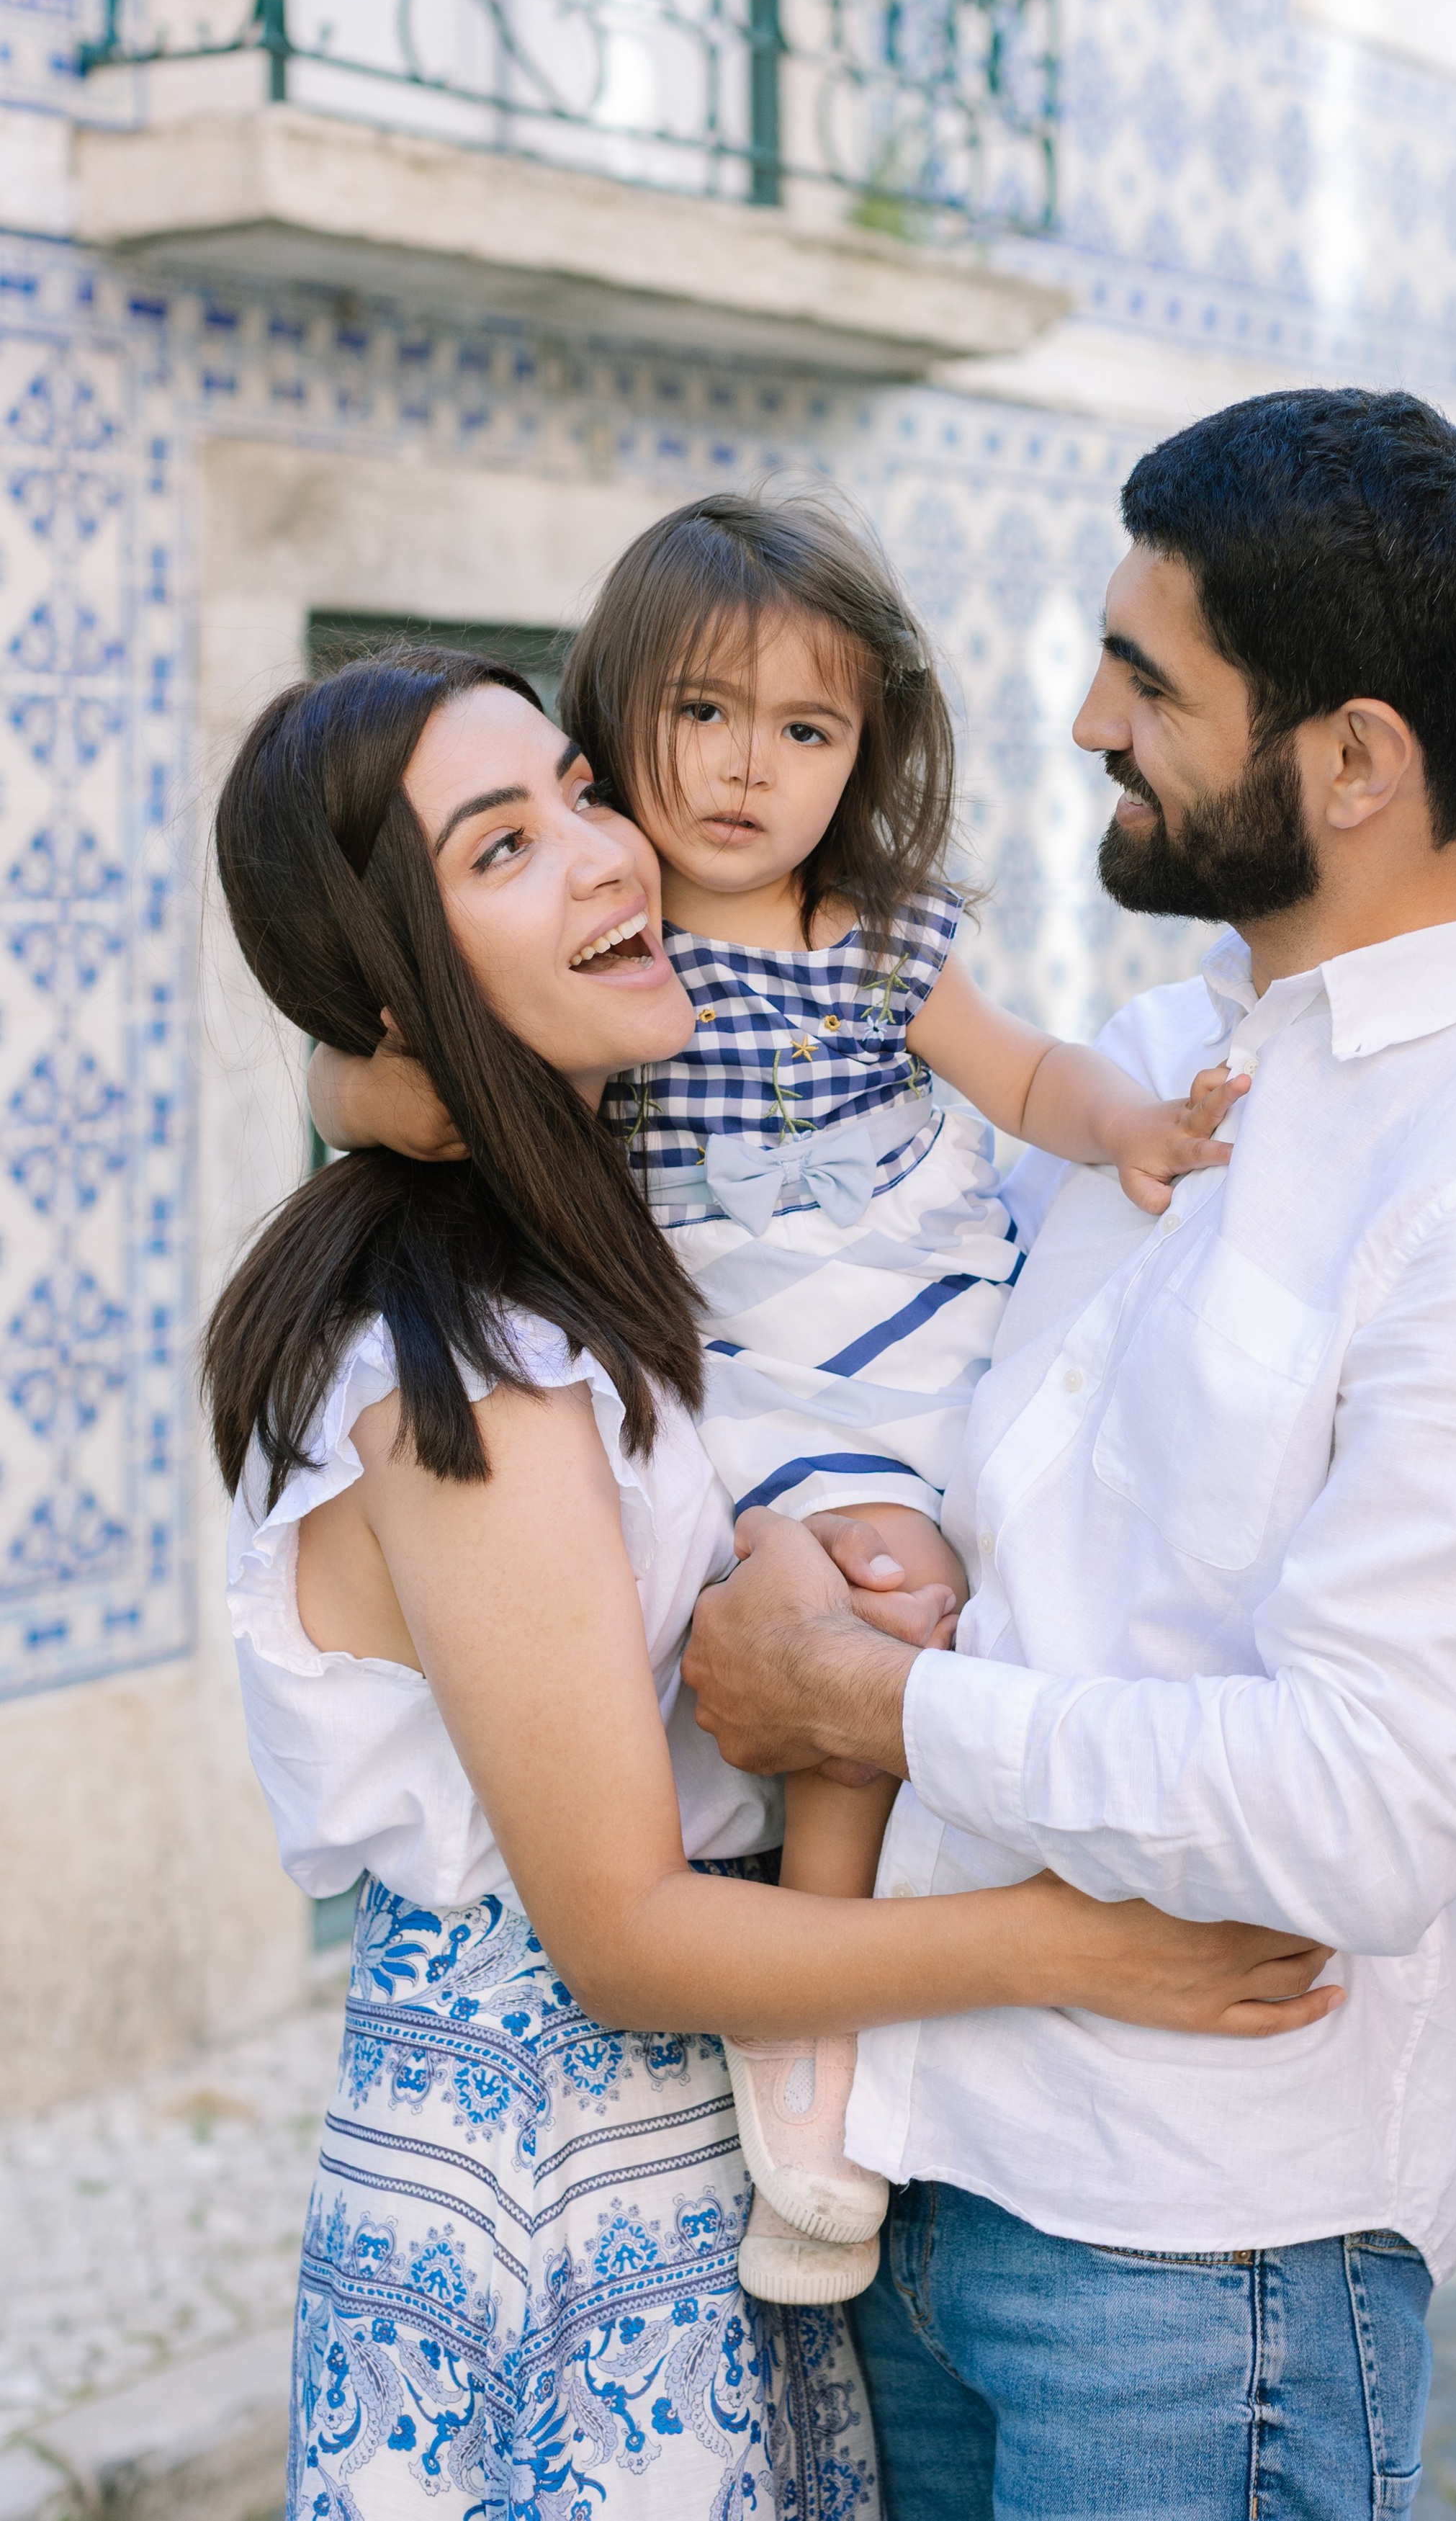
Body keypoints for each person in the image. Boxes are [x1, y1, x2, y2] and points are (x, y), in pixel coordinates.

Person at [682, 390, 1456, 2520]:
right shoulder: (1153, 1074)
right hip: (914, 2184)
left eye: (1148, 678)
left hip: (1195, 2256)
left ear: (1353, 759)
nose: (1080, 721)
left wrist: (876, 1706)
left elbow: (1353, 1809)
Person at [214, 648, 1339, 2517]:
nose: (608, 854)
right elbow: (626, 1936)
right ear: (395, 976)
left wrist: (401, 1058)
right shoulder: (478, 1377)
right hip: (561, 2180)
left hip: (694, 2163)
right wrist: (1092, 1950)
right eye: (505, 847)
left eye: (582, 790)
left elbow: (397, 1066)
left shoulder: (591, 1221)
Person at [306, 493, 1239, 2303]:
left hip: (921, 1336)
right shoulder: (501, 1298)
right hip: (765, 1388)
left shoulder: (857, 940)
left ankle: (869, 2010)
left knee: (972, 1588)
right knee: (869, 1599)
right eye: (694, 724)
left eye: (804, 731)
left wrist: (1130, 1125)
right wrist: (362, 1083)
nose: (734, 780)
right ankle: (823, 2035)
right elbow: (412, 1061)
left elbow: (1025, 1069)